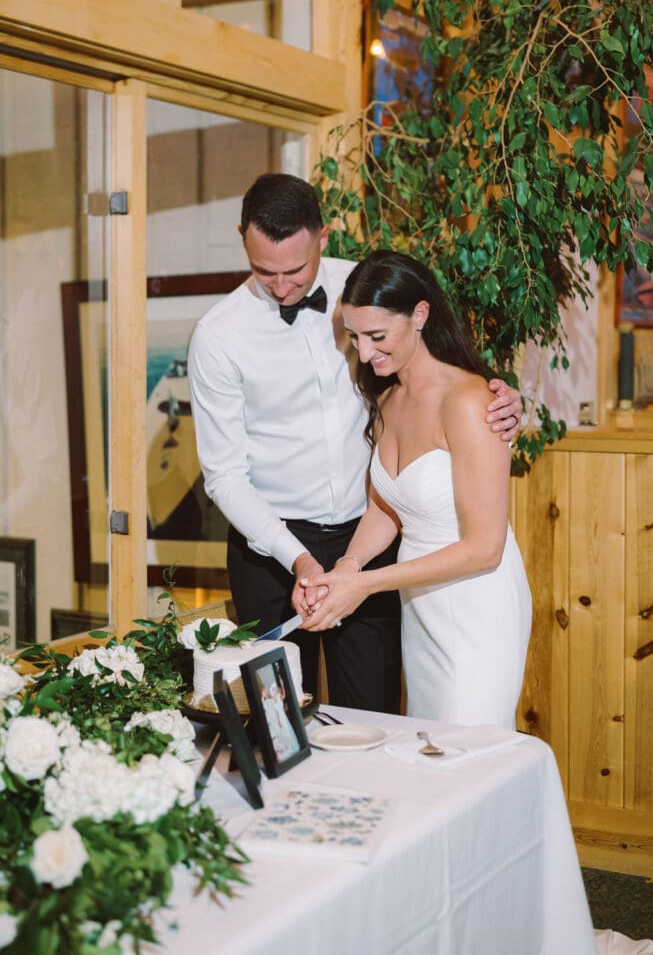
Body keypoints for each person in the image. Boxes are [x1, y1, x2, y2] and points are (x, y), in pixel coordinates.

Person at [187, 173, 523, 715]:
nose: (280, 287)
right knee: (273, 718)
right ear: (242, 238)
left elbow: (445, 380)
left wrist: (506, 404)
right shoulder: (217, 335)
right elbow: (224, 475)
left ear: (322, 238)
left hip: (368, 536)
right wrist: (299, 559)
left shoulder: (368, 297)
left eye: (294, 270)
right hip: (272, 545)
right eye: (262, 271)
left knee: (373, 715)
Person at [297, 250, 532, 728]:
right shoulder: (388, 398)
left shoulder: (470, 402)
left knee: (470, 752)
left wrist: (363, 585)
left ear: (420, 315)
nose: (363, 353)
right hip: (420, 602)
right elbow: (386, 509)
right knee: (428, 744)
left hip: (477, 604)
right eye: (355, 337)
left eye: (377, 337)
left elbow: (485, 549)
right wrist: (345, 568)